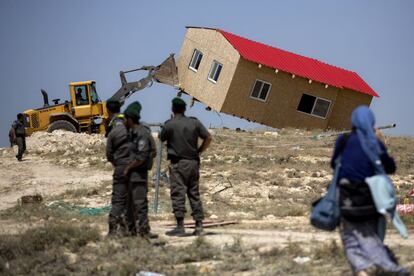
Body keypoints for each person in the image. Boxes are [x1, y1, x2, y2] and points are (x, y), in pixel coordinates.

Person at [331, 106, 409, 276]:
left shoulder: (343, 140)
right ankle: (388, 267)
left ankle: (363, 270)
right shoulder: (374, 143)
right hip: (370, 199)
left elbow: (333, 164)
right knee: (372, 237)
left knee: (350, 238)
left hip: (346, 197)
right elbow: (391, 167)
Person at [160, 97, 212, 236]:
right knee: (194, 193)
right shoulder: (194, 122)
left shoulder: (170, 124)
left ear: (173, 109)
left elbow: (161, 137)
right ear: (184, 109)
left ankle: (180, 226)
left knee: (178, 194)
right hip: (193, 163)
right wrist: (199, 151)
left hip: (178, 164)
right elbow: (208, 138)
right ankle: (199, 225)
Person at [123, 101, 158, 239]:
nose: (124, 121)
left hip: (138, 175)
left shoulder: (142, 133)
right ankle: (131, 231)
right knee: (129, 205)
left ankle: (144, 230)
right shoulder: (131, 133)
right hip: (131, 175)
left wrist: (128, 168)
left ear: (130, 119)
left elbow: (143, 156)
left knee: (140, 204)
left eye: (125, 119)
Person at [105, 99, 130, 236]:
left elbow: (109, 154)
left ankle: (113, 231)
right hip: (134, 169)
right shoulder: (131, 126)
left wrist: (118, 165)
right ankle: (126, 229)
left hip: (120, 168)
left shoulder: (113, 130)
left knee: (118, 200)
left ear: (108, 110)